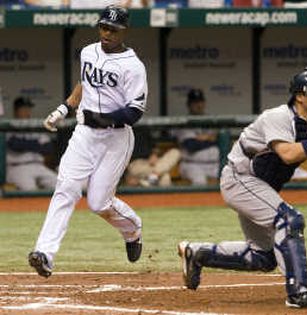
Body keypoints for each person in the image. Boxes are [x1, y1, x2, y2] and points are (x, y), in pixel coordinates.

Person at [178, 66, 307, 308]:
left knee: (263, 257)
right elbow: (287, 154)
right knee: (290, 219)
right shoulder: (278, 117)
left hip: (261, 185)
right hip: (240, 178)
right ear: (300, 96)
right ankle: (298, 291)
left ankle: (197, 253)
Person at [28, 5, 148, 278]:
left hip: (116, 137)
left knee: (98, 203)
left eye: (113, 29)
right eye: (104, 27)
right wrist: (62, 109)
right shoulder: (88, 52)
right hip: (84, 134)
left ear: (123, 31)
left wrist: (104, 118)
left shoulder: (133, 66)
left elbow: (135, 111)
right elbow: (85, 84)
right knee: (66, 187)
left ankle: (133, 229)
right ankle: (45, 253)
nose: (107, 33)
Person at [6, 97, 58, 191]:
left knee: (60, 186)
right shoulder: (9, 126)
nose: (27, 112)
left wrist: (27, 144)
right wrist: (37, 145)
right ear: (16, 111)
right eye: (24, 109)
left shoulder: (35, 127)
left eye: (28, 109)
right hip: (18, 167)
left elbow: (48, 148)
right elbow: (15, 145)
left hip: (38, 165)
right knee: (30, 189)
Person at [173, 89, 220, 186]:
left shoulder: (212, 121)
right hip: (193, 165)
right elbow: (191, 145)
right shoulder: (183, 122)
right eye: (195, 102)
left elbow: (221, 141)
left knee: (231, 180)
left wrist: (203, 138)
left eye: (200, 102)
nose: (198, 105)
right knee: (200, 181)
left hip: (214, 164)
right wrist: (210, 138)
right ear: (189, 105)